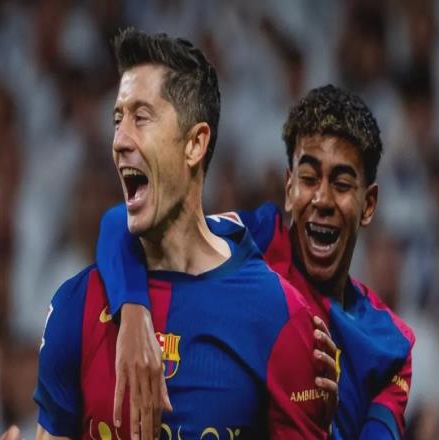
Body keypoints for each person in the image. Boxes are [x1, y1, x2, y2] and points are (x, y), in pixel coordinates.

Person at [32, 28, 336, 440]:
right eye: (118, 120)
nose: (119, 140)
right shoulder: (78, 305)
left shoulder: (281, 317)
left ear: (195, 144)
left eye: (141, 117)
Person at [98, 84, 415, 439]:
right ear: (289, 189)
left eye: (341, 184)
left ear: (368, 205)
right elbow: (121, 223)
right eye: (309, 179)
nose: (322, 199)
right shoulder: (252, 241)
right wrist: (134, 316)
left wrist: (319, 424)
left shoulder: (390, 347)